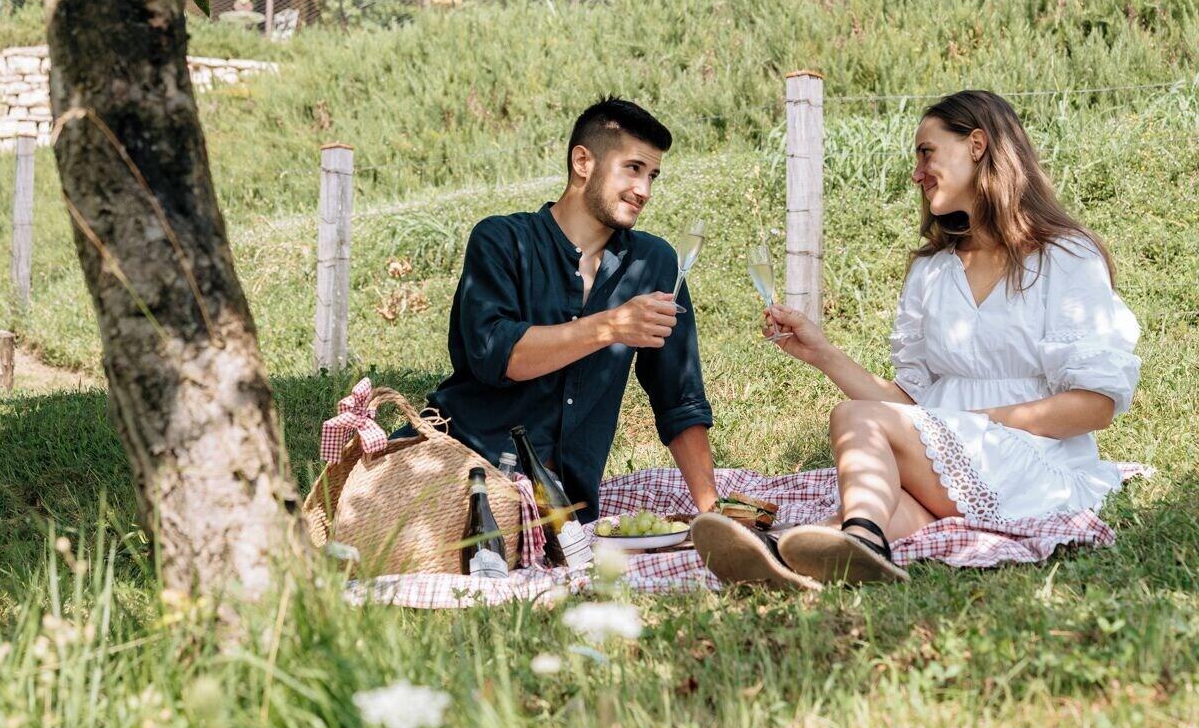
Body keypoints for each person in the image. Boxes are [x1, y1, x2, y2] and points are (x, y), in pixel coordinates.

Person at [693, 89, 1141, 591]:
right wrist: (822, 353)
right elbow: (906, 406)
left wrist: (969, 424)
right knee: (877, 499)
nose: (917, 172)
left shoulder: (1064, 257)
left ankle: (860, 540)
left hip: (1034, 463)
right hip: (950, 468)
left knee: (851, 425)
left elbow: (1095, 405)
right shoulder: (932, 270)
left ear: (977, 144)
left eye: (927, 152)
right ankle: (789, 556)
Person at [425, 96, 719, 527]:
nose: (645, 190)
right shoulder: (501, 240)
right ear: (583, 161)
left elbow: (678, 398)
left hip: (564, 506)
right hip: (461, 469)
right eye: (633, 168)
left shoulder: (654, 263)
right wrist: (613, 325)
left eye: (652, 175)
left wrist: (713, 511)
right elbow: (500, 357)